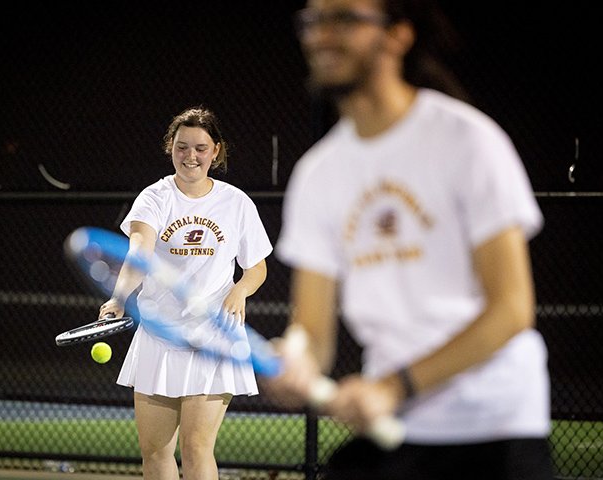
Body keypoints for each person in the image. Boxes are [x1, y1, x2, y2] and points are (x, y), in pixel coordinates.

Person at [268, 0, 554, 478]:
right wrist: (295, 358)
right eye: (313, 20)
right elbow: (314, 334)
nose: (321, 35)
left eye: (344, 18)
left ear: (398, 34)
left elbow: (511, 309)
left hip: (493, 428)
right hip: (396, 426)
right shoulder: (317, 174)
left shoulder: (468, 140)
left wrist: (393, 387)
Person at [98, 106, 273, 480]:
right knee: (156, 452)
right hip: (158, 335)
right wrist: (118, 297)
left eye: (200, 148)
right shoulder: (154, 197)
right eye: (181, 147)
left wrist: (240, 291)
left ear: (216, 151)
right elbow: (138, 251)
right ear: (170, 148)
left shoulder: (236, 203)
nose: (190, 156)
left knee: (196, 450)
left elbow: (257, 267)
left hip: (213, 336)